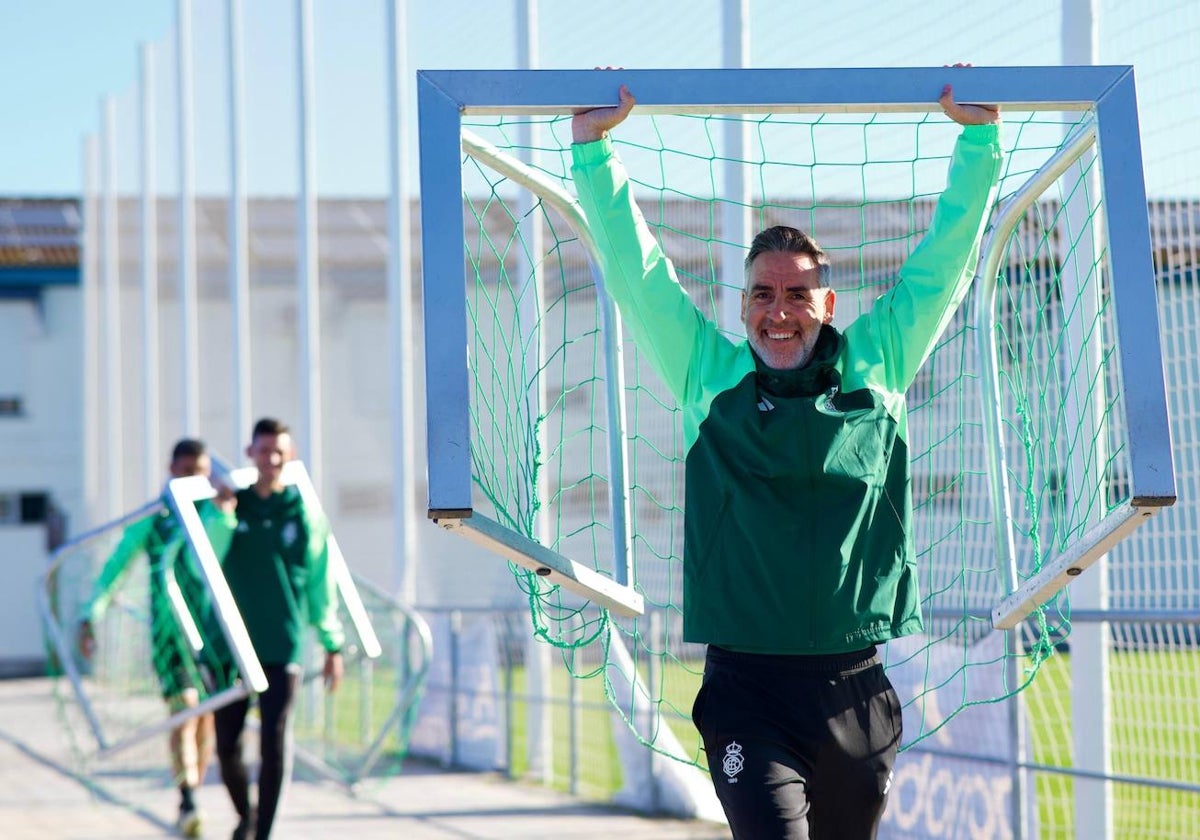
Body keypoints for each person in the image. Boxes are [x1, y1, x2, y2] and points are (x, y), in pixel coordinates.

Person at [570, 75, 1002, 839]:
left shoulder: (880, 365)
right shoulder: (711, 378)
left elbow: (943, 265)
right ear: (743, 306)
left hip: (855, 688)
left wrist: (977, 143)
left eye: (798, 295)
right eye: (763, 294)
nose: (779, 310)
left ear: (827, 306)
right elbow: (641, 280)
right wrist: (593, 154)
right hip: (747, 688)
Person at [80, 438, 223, 838]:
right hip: (171, 633)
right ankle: (188, 797)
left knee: (206, 718)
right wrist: (91, 614)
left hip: (214, 633)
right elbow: (117, 566)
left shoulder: (215, 513)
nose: (193, 477)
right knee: (183, 710)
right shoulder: (156, 518)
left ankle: (195, 787)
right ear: (171, 469)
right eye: (186, 470)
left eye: (200, 471)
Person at [211, 417, 344, 840]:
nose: (270, 459)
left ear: (290, 456)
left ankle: (263, 833)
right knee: (227, 745)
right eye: (263, 451)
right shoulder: (233, 504)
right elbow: (207, 561)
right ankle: (246, 817)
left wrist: (331, 644)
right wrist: (224, 516)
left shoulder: (304, 512)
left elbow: (322, 582)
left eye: (279, 452)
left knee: (274, 740)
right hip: (231, 645)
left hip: (282, 645)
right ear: (250, 453)